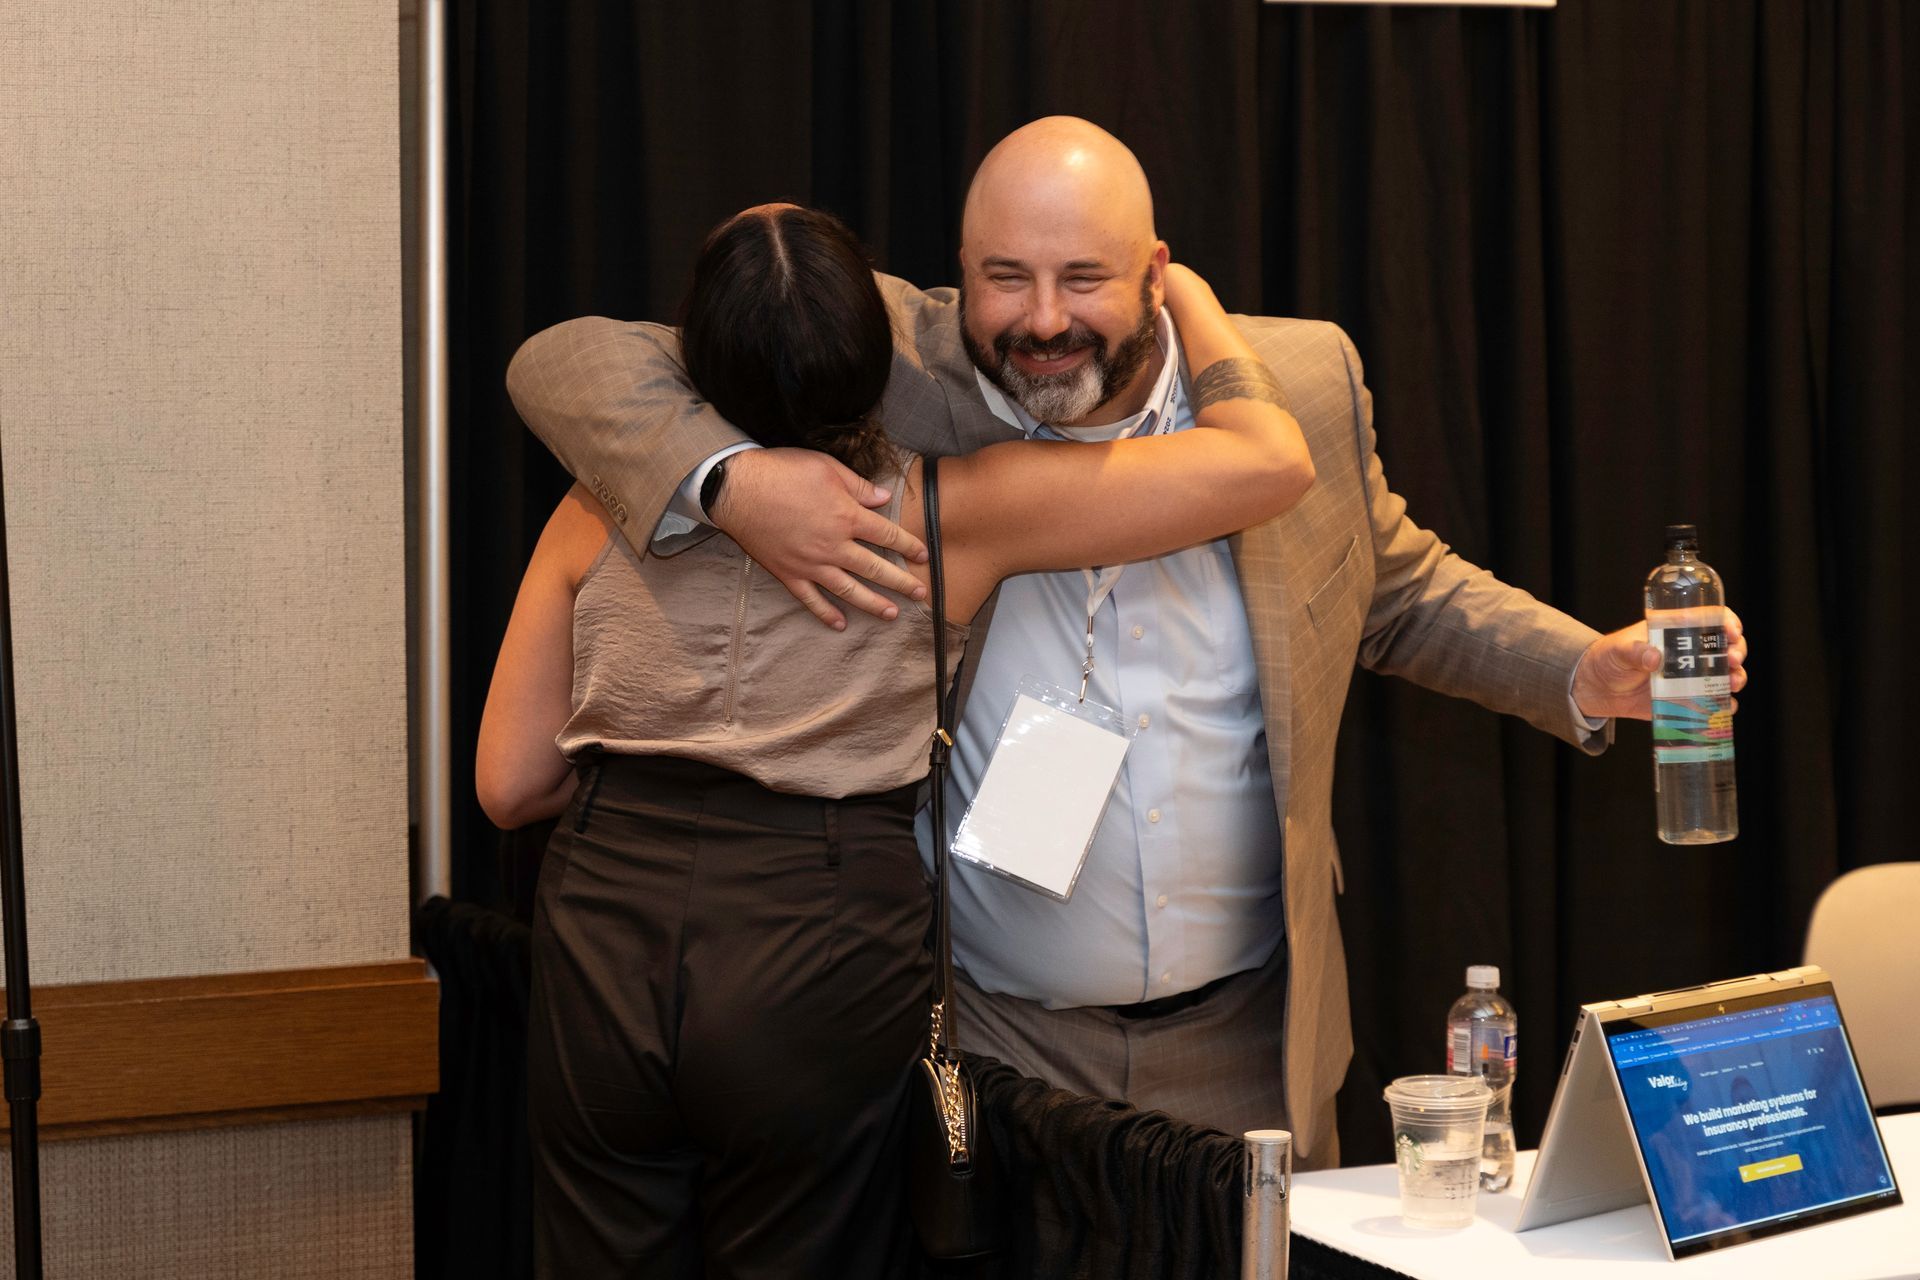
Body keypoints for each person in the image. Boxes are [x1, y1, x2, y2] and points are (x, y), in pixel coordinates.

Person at [504, 118, 1749, 1172]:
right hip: (990, 1039)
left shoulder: (1295, 383)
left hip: (1248, 1040)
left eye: (1084, 279)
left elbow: (1400, 589)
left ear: (1156, 271)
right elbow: (571, 361)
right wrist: (733, 483)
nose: (1043, 321)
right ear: (958, 271)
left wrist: (1577, 667)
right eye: (1006, 278)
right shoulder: (895, 363)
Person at [479, 201, 1313, 1278]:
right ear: (876, 359)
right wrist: (1181, 293)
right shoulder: (946, 515)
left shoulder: (597, 505)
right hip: (818, 926)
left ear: (689, 358)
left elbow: (509, 784)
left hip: (605, 917)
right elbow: (1267, 462)